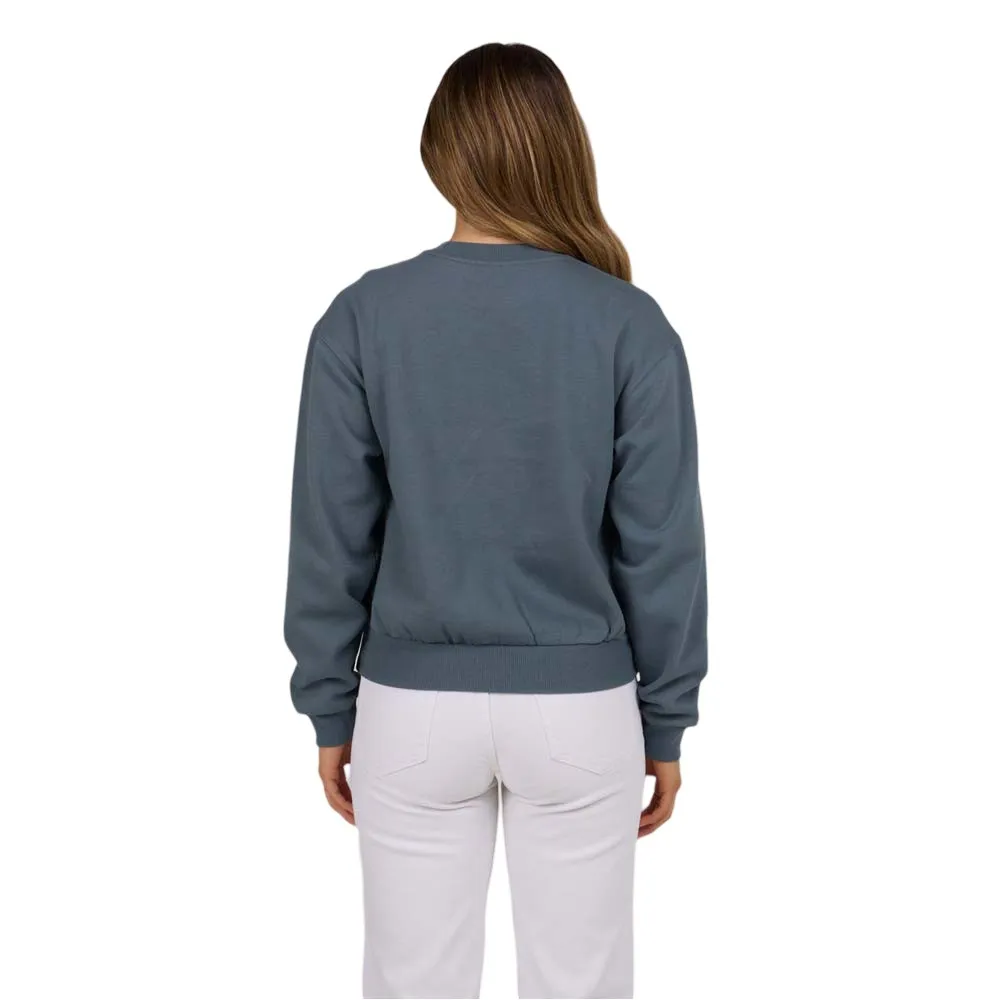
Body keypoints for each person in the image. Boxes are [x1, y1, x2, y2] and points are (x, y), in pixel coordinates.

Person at [284, 41, 708, 1000]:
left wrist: (329, 704)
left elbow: (330, 534)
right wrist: (667, 720)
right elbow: (662, 548)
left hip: (409, 710)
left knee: (412, 984)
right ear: (564, 148)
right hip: (581, 710)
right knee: (581, 984)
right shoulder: (629, 323)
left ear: (440, 152)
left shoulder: (362, 316)